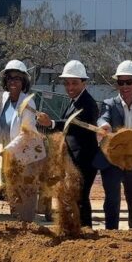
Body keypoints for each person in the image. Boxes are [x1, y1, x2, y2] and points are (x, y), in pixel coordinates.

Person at [36, 60, 100, 228]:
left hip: (84, 161)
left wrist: (51, 124)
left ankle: (86, 230)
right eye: (67, 83)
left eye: (74, 83)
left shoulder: (87, 103)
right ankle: (77, 230)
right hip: (73, 160)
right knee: (74, 197)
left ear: (84, 83)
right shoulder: (73, 101)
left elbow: (73, 125)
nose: (70, 87)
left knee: (80, 197)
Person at [95, 60, 132, 230]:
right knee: (112, 199)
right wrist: (104, 125)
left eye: (129, 82)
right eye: (121, 82)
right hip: (112, 162)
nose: (125, 86)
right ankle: (111, 233)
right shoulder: (109, 104)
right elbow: (103, 117)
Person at [0, 59, 44, 222]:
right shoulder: (5, 99)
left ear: (23, 81)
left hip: (28, 158)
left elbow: (27, 133)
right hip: (10, 157)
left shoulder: (27, 101)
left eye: (17, 78)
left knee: (25, 198)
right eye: (10, 78)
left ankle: (28, 231)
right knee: (13, 195)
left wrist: (8, 149)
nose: (13, 81)